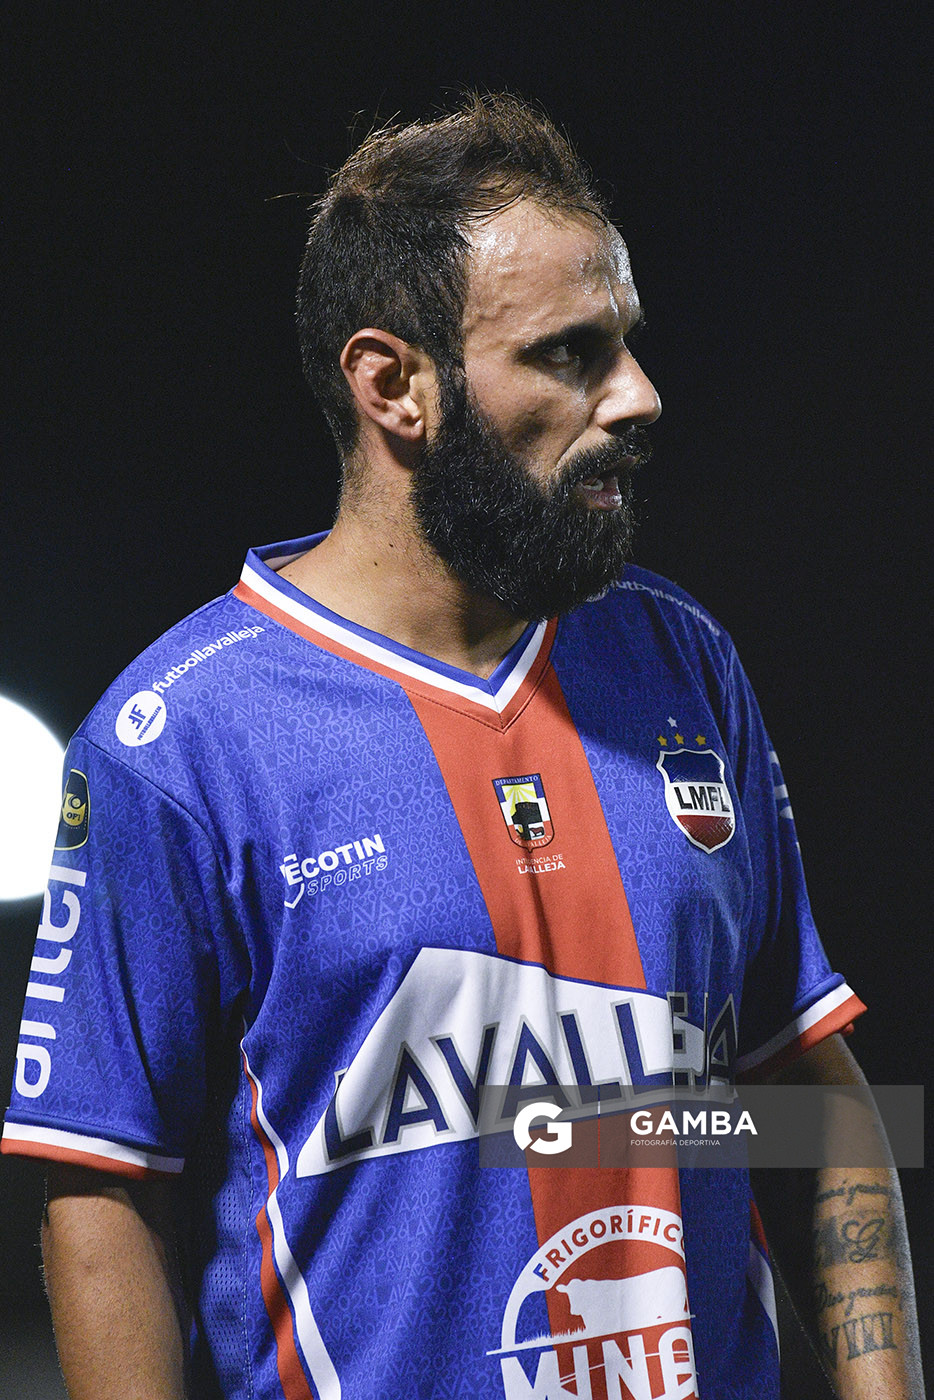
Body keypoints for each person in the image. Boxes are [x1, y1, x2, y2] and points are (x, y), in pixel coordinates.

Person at [2, 93, 922, 1400]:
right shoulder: (179, 738)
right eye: (569, 353)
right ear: (393, 385)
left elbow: (800, 1096)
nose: (637, 395)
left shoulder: (679, 663)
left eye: (630, 344)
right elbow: (101, 1194)